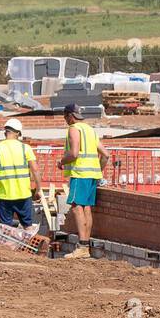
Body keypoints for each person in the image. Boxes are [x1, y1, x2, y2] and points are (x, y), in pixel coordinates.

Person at [58, 103, 107, 259]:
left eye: (66, 117)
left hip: (80, 174)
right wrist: (98, 171)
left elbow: (74, 153)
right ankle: (85, 246)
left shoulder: (74, 129)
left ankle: (83, 247)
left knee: (77, 207)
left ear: (70, 116)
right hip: (92, 175)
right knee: (86, 209)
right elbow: (105, 155)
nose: (66, 120)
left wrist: (61, 162)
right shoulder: (90, 130)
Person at [0, 119, 40, 227]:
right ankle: (27, 243)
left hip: (5, 196)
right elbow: (36, 170)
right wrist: (38, 189)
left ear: (5, 132)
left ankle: (8, 244)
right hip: (24, 195)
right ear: (18, 133)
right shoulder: (25, 148)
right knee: (28, 226)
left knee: (5, 228)